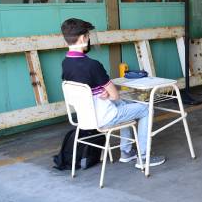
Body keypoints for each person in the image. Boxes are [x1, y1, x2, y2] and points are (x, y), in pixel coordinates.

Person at [60, 18, 165, 168]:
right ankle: (143, 157)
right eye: (88, 36)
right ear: (83, 38)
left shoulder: (66, 63)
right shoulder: (92, 65)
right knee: (146, 108)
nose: (89, 39)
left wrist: (101, 92)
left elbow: (83, 89)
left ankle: (126, 152)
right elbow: (114, 94)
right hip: (104, 117)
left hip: (85, 118)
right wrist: (109, 94)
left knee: (123, 103)